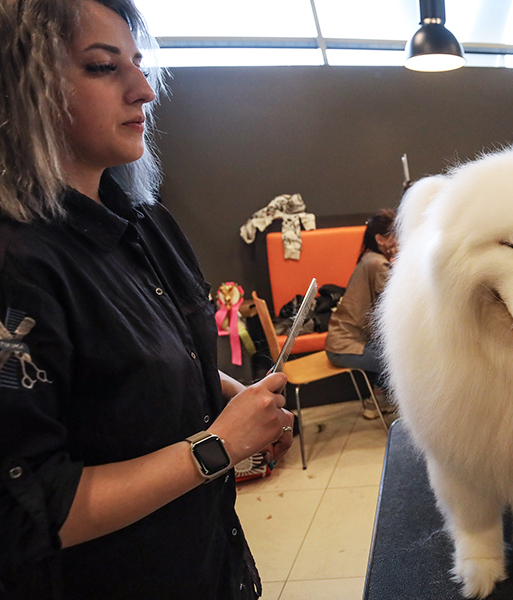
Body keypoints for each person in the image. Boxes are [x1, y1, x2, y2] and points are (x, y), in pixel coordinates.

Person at [0, 1, 294, 598]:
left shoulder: (145, 221)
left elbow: (145, 358)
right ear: (20, 86)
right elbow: (33, 510)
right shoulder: (18, 265)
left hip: (207, 562)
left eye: (137, 64)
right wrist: (219, 446)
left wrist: (230, 395)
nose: (144, 91)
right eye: (104, 68)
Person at [325, 209, 396, 418]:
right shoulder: (377, 264)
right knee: (401, 359)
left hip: (342, 341)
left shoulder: (370, 259)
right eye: (396, 234)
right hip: (345, 346)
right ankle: (383, 403)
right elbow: (392, 312)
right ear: (380, 239)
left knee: (390, 350)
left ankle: (377, 399)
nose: (401, 239)